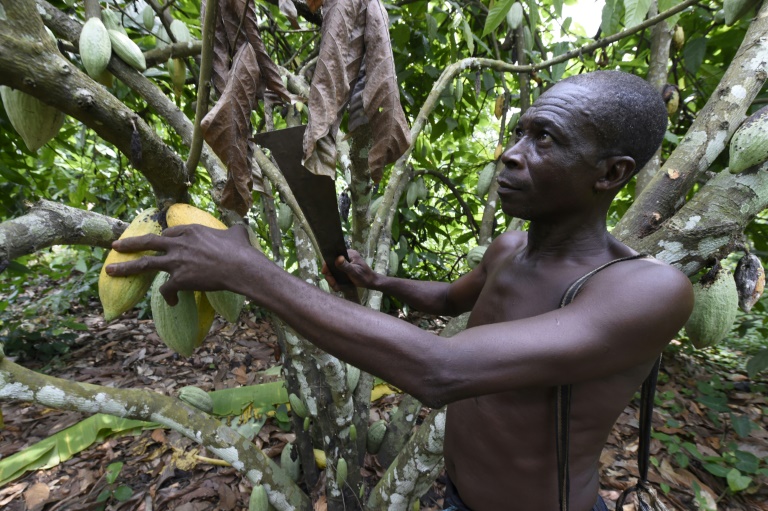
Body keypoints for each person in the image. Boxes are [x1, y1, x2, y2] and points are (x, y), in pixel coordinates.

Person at [107, 70, 694, 511]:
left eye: (545, 139)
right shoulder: (510, 249)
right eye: (518, 132)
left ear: (611, 173)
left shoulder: (646, 291)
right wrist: (379, 280)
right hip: (458, 493)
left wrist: (250, 273)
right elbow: (447, 301)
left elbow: (440, 369)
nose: (510, 154)